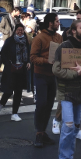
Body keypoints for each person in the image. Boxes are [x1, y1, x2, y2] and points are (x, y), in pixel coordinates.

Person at [53, 19, 81, 159]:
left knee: (76, 127)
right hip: (66, 93)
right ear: (73, 31)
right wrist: (75, 73)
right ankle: (64, 157)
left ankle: (69, 155)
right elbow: (56, 69)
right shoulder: (64, 47)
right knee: (68, 126)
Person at [31, 12, 63, 147]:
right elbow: (33, 58)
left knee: (49, 104)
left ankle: (43, 132)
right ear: (50, 23)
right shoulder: (39, 38)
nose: (58, 23)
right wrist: (46, 61)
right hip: (41, 75)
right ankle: (39, 133)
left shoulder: (59, 37)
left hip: (53, 76)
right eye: (56, 21)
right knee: (41, 104)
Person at [0, 23, 30, 121]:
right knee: (8, 90)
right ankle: (1, 104)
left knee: (18, 92)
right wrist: (5, 64)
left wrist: (28, 62)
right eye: (18, 30)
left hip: (21, 69)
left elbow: (28, 53)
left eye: (22, 30)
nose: (20, 32)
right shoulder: (10, 41)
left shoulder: (26, 41)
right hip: (11, 68)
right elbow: (3, 53)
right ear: (15, 30)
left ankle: (15, 113)